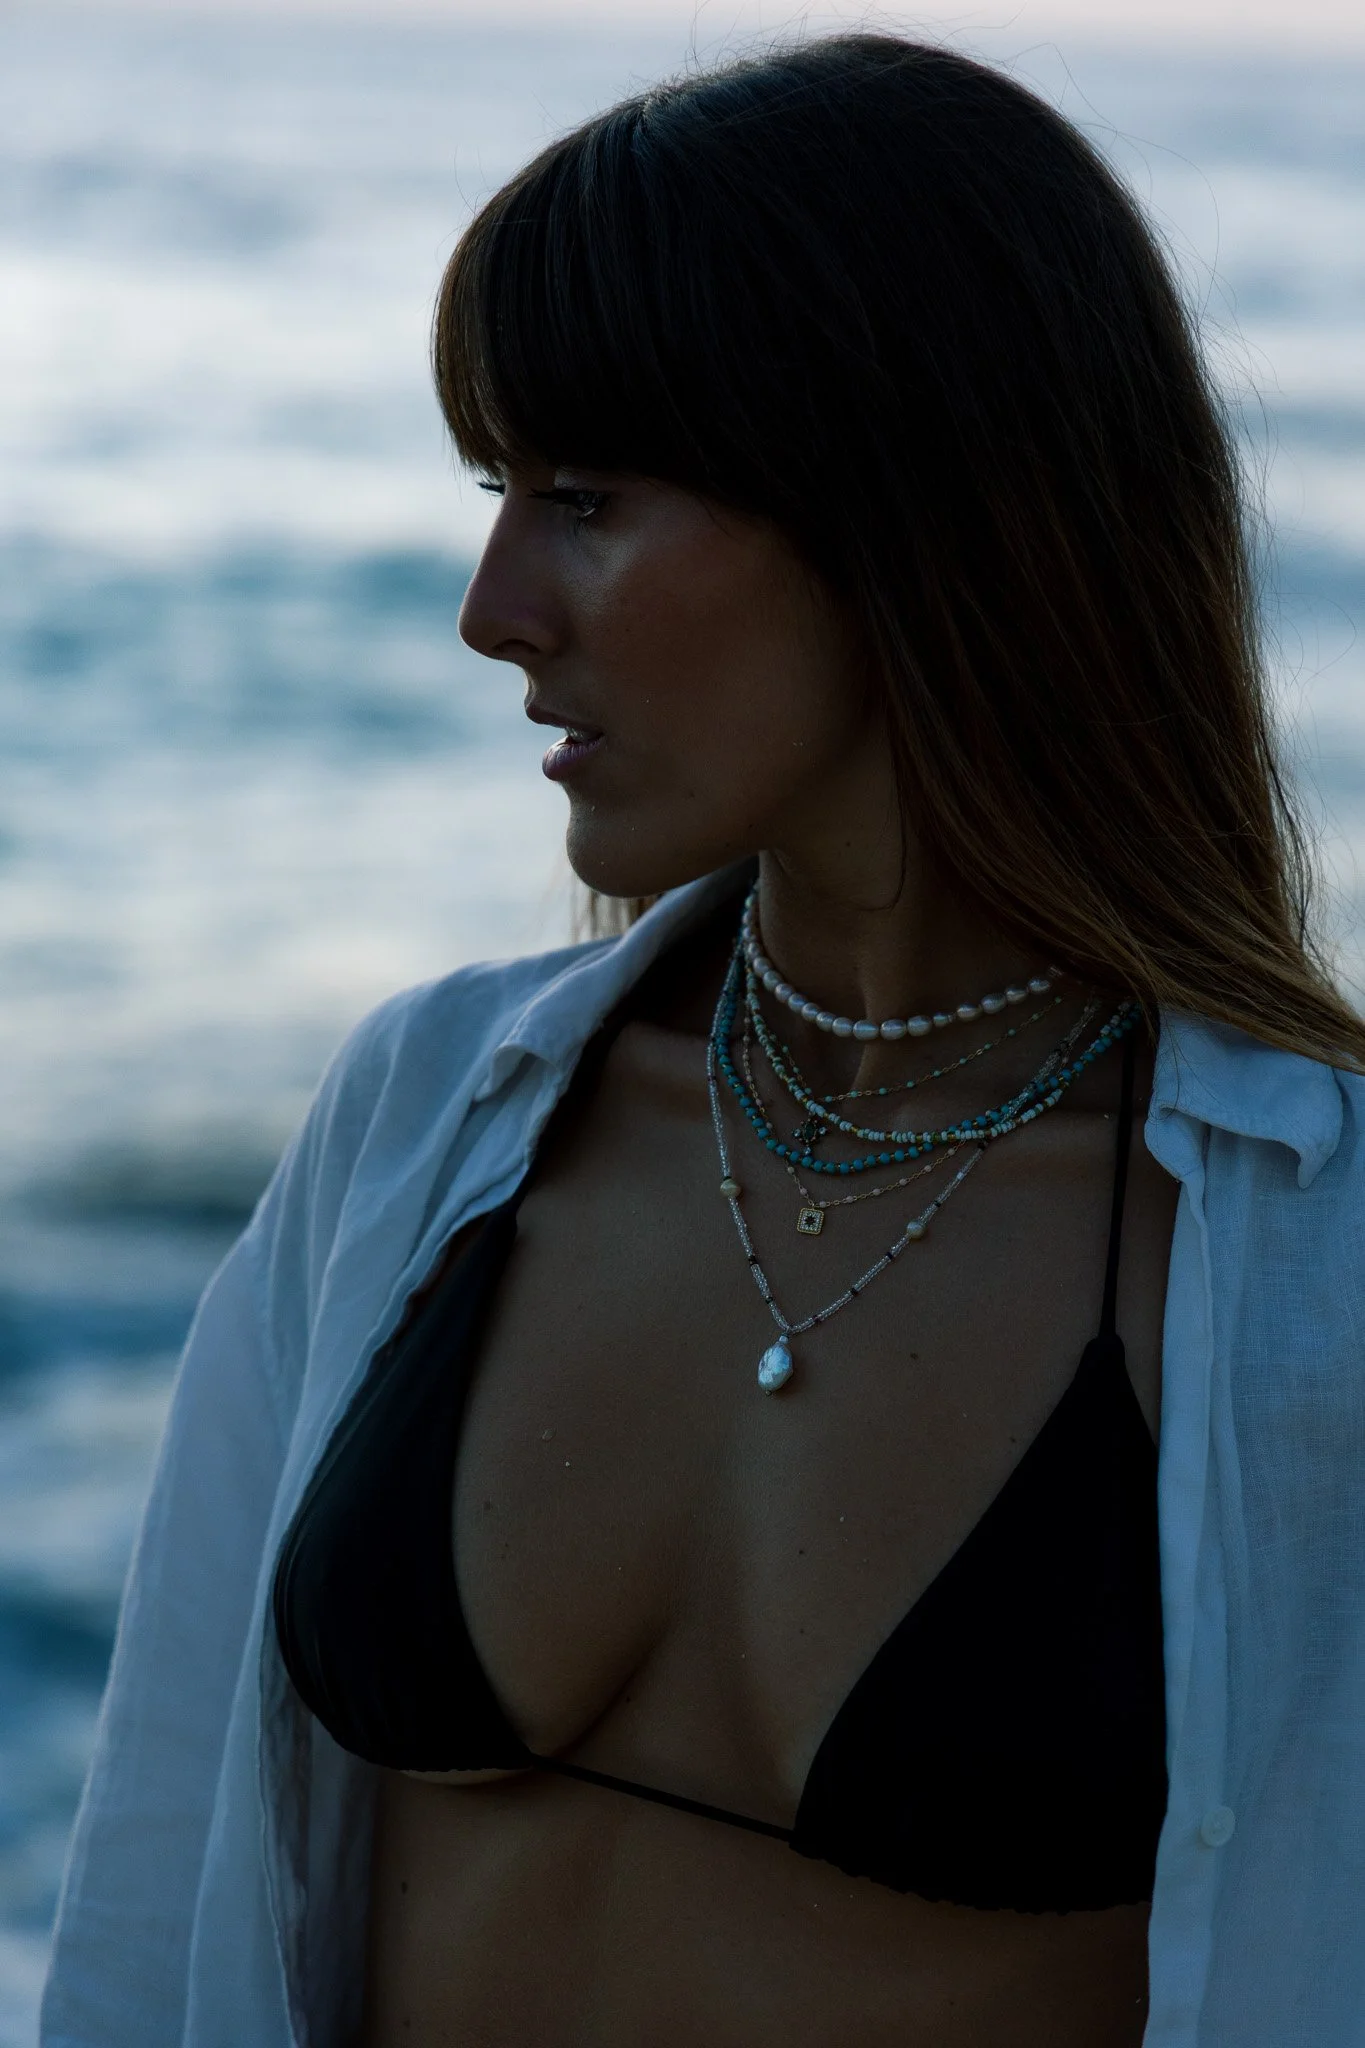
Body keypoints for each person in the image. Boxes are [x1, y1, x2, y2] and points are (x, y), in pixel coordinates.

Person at [41, 33, 1365, 2048]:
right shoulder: (427, 1118)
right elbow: (149, 1910)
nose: (492, 607)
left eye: (581, 500)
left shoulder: (1302, 1255)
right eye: (499, 494)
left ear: (918, 513)